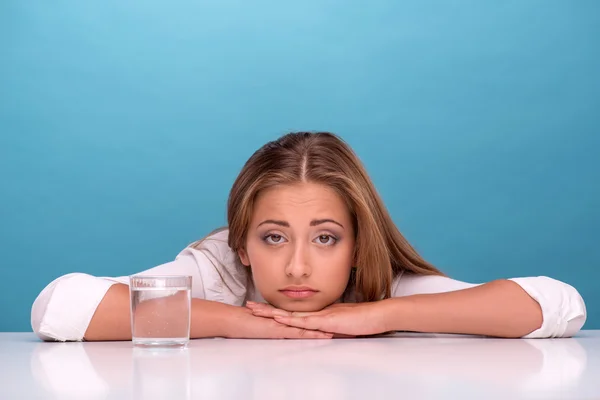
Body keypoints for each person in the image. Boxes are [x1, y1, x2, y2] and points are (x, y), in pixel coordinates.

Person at [31, 132, 587, 342]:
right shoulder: (216, 274)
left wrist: (379, 315)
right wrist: (234, 321)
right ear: (242, 244)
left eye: (325, 239)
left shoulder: (381, 288)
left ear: (358, 247)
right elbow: (58, 308)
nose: (297, 267)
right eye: (274, 238)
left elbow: (559, 306)